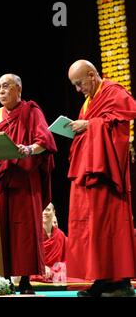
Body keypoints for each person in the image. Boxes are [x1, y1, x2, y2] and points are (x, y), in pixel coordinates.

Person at [0, 73, 57, 294]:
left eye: (6, 86)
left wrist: (29, 149)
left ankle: (24, 279)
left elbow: (44, 140)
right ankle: (1, 277)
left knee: (24, 230)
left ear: (19, 90)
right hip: (0, 178)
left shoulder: (31, 111)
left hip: (24, 178)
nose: (1, 90)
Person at [66, 59, 136, 297]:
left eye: (79, 83)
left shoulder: (112, 92)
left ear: (91, 75)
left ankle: (121, 282)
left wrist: (89, 125)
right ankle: (102, 279)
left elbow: (122, 123)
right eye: (74, 85)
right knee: (91, 227)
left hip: (107, 172)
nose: (78, 89)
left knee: (112, 224)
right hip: (89, 171)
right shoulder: (89, 101)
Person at [31, 203, 67, 282]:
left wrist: (55, 270)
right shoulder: (33, 234)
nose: (44, 212)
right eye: (42, 210)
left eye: (48, 209)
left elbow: (66, 259)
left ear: (54, 212)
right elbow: (29, 259)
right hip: (38, 271)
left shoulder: (60, 235)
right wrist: (42, 267)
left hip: (56, 272)